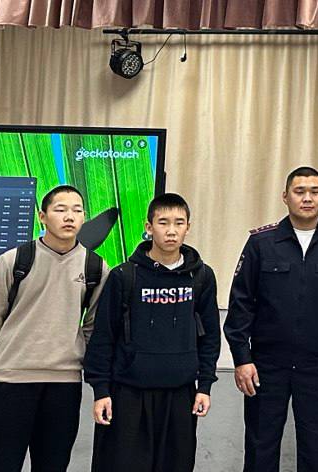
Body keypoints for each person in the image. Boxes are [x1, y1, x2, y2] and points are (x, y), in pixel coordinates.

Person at [224, 167, 318, 472]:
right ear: (285, 197)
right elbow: (240, 304)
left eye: (314, 191)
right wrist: (241, 358)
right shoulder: (261, 243)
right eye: (299, 191)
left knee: (317, 452)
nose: (307, 198)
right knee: (261, 448)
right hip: (266, 365)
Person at [0, 185, 110, 472]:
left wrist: (75, 354)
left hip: (64, 384)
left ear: (84, 217)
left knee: (53, 464)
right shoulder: (14, 261)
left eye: (77, 210)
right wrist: (2, 362)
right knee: (0, 464)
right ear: (42, 216)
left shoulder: (95, 266)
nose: (69, 216)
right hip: (11, 382)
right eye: (60, 209)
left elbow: (95, 325)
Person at [84, 193, 221, 472]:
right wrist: (101, 390)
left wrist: (205, 386)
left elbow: (210, 337)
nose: (171, 230)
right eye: (163, 222)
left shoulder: (201, 276)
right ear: (149, 227)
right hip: (128, 395)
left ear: (188, 227)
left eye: (178, 223)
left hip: (180, 395)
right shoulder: (124, 276)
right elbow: (103, 336)